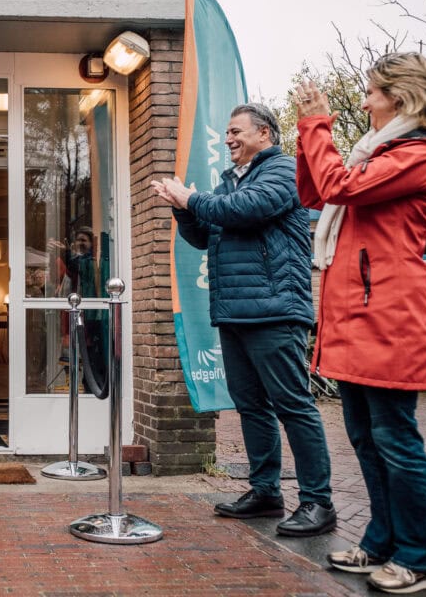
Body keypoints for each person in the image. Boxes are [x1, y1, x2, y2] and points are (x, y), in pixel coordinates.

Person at [294, 53, 426, 594]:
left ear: (401, 98)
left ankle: (424, 559)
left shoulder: (421, 156)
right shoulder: (381, 151)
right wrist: (306, 133)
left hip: (389, 316)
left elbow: (340, 187)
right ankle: (384, 541)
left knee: (396, 438)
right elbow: (316, 191)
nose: (363, 102)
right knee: (365, 436)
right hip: (357, 313)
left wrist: (318, 125)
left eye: (371, 93)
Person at [151, 103, 335, 537]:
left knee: (293, 405)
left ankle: (318, 502)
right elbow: (203, 235)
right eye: (226, 132)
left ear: (264, 135)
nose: (228, 138)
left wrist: (194, 198)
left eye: (236, 131)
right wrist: (184, 208)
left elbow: (245, 210)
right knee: (252, 406)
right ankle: (266, 491)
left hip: (273, 309)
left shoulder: (282, 170)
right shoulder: (227, 184)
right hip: (234, 310)